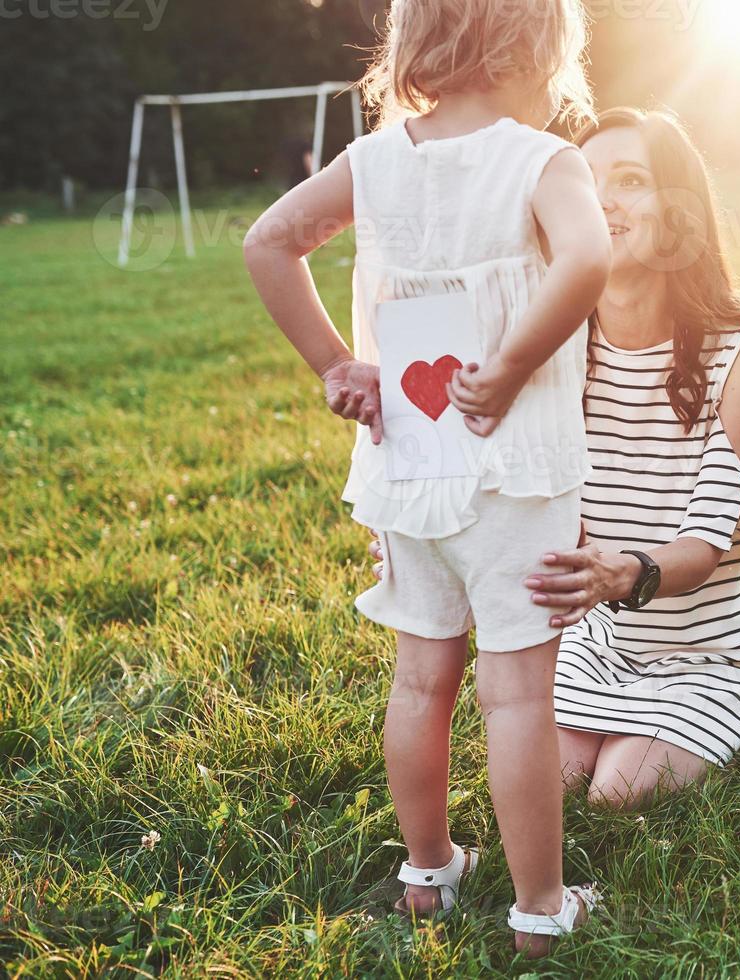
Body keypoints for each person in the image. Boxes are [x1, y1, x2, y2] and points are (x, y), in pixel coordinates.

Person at [242, 0, 610, 956]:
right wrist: (520, 361)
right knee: (520, 693)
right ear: (540, 46)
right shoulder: (541, 160)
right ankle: (539, 908)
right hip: (515, 476)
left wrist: (336, 363)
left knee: (420, 676)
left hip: (407, 465)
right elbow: (589, 259)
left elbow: (267, 242)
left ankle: (428, 872)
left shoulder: (373, 162)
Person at [373, 108, 740, 810]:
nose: (602, 201)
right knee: (553, 777)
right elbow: (486, 473)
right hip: (603, 637)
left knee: (616, 793)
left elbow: (704, 543)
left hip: (719, 647)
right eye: (582, 182)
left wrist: (621, 572)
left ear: (681, 212)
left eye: (631, 181)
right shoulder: (547, 347)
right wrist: (420, 540)